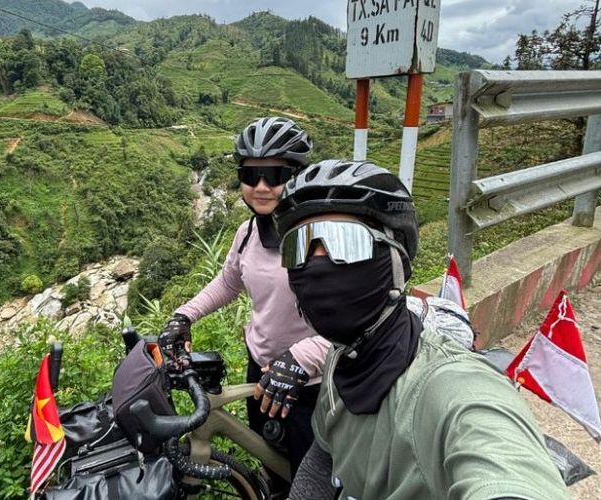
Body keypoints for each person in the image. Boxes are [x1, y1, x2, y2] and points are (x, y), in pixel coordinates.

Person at [272, 159, 569, 500]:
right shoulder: (342, 359)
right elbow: (324, 458)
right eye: (299, 247)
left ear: (397, 259)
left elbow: (503, 464)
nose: (316, 264)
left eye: (346, 242)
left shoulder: (454, 391)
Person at [159, 117, 328, 488]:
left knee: (310, 484)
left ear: (299, 175)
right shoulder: (249, 232)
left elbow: (357, 320)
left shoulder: (322, 238)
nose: (262, 187)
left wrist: (302, 358)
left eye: (274, 174)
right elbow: (229, 281)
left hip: (312, 385)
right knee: (273, 463)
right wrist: (184, 315)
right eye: (251, 176)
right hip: (262, 374)